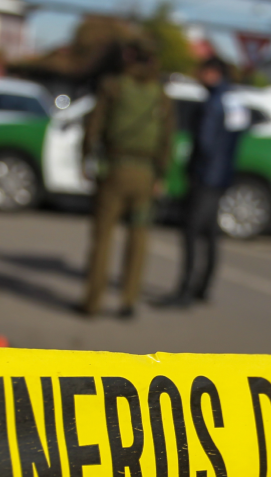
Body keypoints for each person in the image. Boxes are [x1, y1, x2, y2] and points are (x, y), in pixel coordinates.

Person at [78, 38, 175, 319]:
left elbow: (93, 126)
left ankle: (92, 302)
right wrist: (161, 174)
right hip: (145, 174)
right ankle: (128, 301)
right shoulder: (161, 94)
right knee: (139, 238)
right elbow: (167, 139)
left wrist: (86, 158)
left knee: (103, 238)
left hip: (115, 169)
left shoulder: (113, 86)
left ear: (130, 58)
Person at [160, 56, 243, 308]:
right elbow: (237, 136)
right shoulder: (234, 100)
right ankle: (204, 287)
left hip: (205, 176)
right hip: (222, 175)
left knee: (192, 231)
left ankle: (185, 291)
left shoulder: (213, 102)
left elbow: (205, 141)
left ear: (212, 73)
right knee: (209, 233)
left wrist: (193, 168)